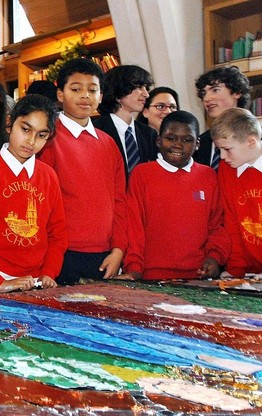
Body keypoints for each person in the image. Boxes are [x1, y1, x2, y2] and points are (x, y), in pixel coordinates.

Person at [0, 94, 68, 294]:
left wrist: (49, 272)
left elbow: (57, 233)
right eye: (25, 129)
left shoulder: (49, 176)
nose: (31, 141)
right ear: (9, 124)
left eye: (41, 135)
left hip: (36, 281)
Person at [39, 58, 127, 284]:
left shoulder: (108, 144)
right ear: (60, 95)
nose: (85, 96)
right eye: (76, 89)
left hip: (104, 255)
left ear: (101, 96)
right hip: (61, 253)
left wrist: (118, 249)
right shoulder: (48, 138)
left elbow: (119, 201)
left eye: (92, 90)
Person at [118, 111, 230, 280]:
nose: (178, 145)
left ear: (197, 144)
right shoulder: (142, 174)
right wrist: (134, 267)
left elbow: (216, 225)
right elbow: (135, 227)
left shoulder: (208, 176)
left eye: (187, 140)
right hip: (150, 275)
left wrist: (214, 257)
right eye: (171, 138)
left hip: (197, 277)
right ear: (158, 141)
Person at [211, 107, 262, 277]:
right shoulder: (227, 169)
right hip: (249, 271)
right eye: (219, 150)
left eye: (227, 149)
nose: (222, 156)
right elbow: (231, 222)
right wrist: (236, 269)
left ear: (251, 142)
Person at [93, 65, 157, 180]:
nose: (146, 94)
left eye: (146, 88)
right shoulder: (95, 131)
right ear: (118, 91)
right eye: (139, 87)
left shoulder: (148, 133)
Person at [194, 66, 251, 170]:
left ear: (237, 92)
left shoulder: (256, 137)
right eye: (203, 93)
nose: (206, 98)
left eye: (215, 90)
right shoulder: (200, 143)